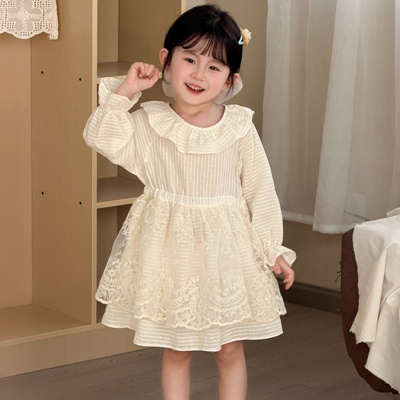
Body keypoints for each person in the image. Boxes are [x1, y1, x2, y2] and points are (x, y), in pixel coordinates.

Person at [83, 4, 295, 400]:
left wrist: (273, 249)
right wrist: (126, 91)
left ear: (230, 79)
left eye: (214, 66)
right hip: (170, 255)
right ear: (167, 60)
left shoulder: (238, 128)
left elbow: (260, 191)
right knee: (177, 349)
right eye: (190, 59)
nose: (199, 74)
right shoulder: (149, 123)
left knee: (229, 347)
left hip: (226, 255)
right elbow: (100, 136)